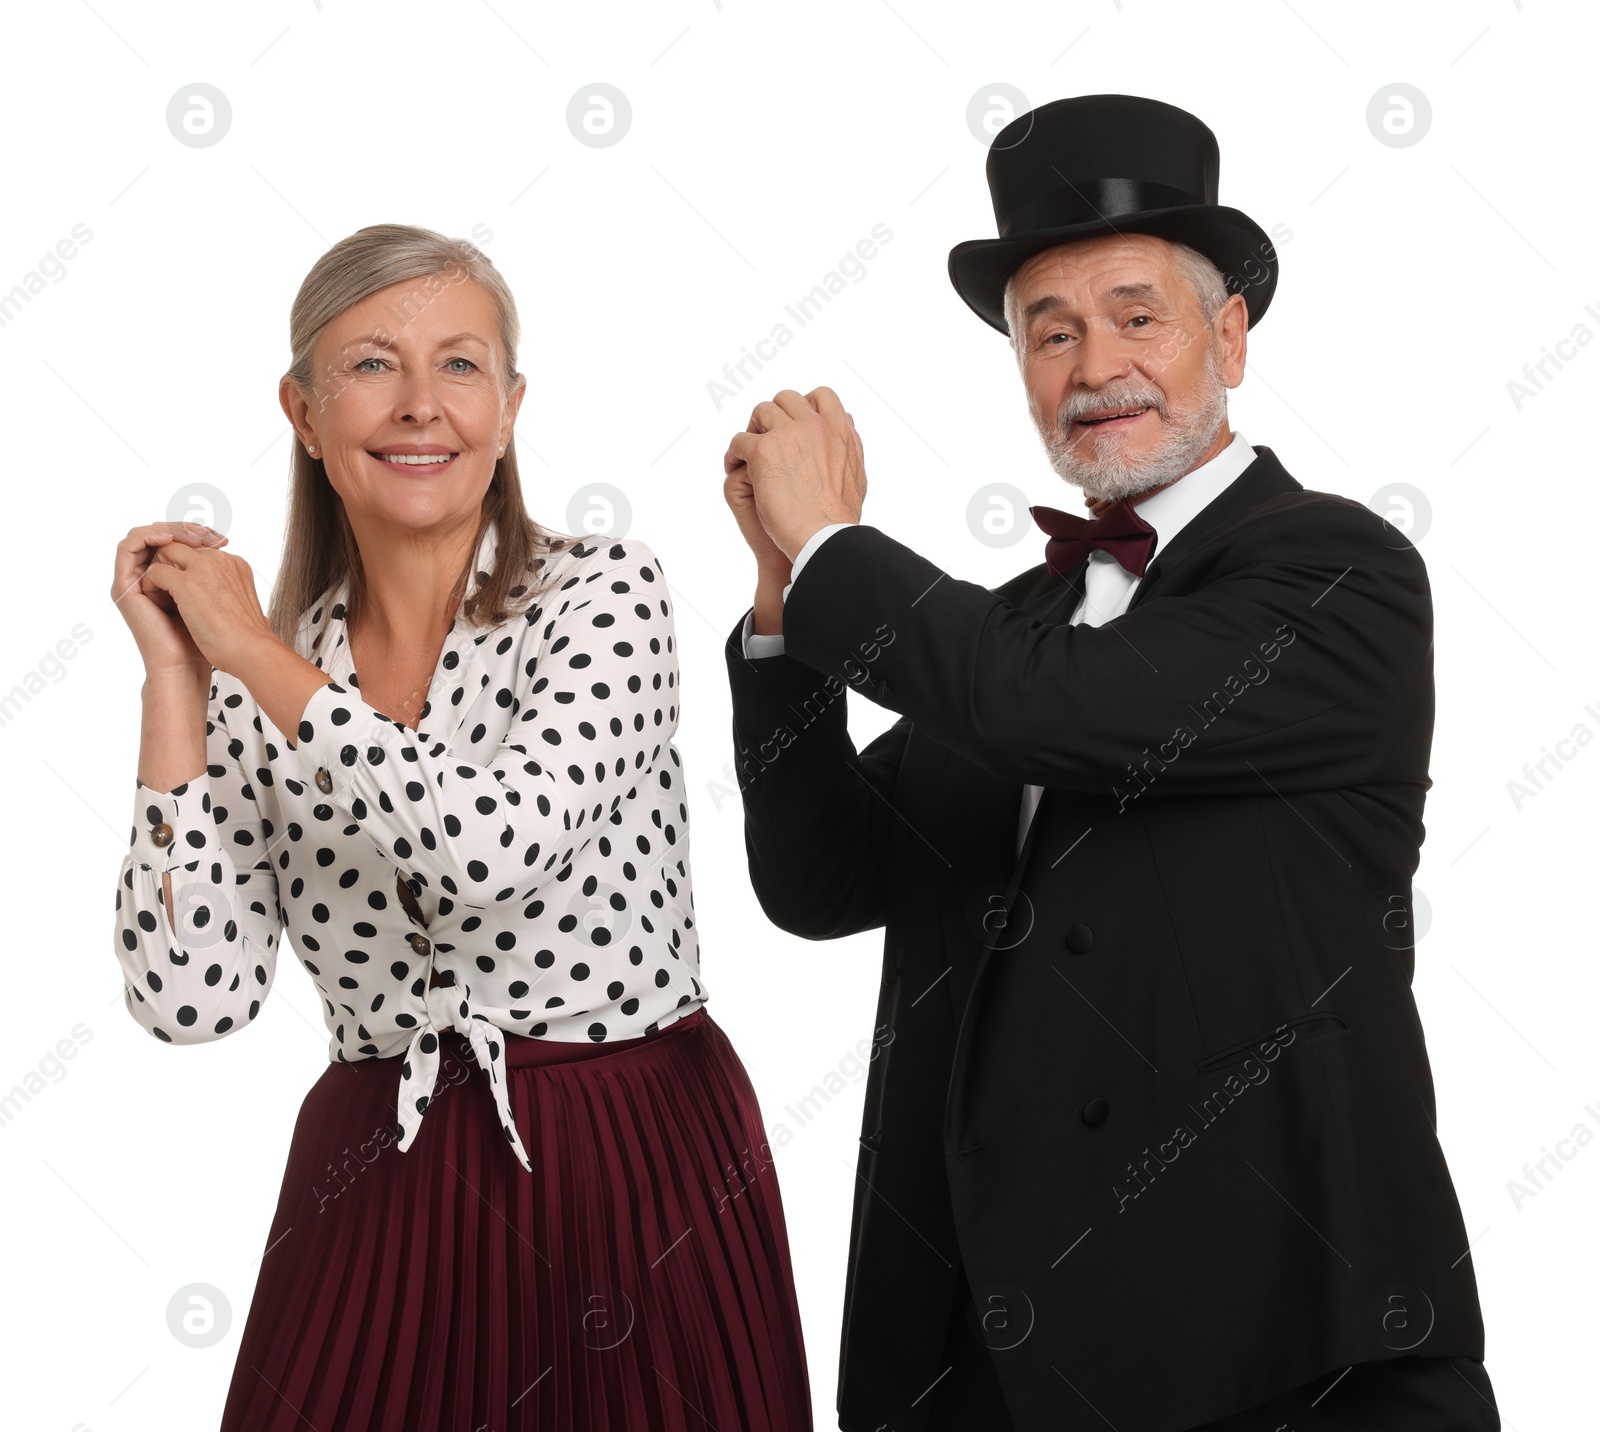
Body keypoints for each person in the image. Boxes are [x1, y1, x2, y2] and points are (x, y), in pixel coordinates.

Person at [719, 95, 1500, 1431]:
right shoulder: (1014, 627)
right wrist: (787, 596)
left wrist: (846, 547)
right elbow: (821, 876)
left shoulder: (1341, 575)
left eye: (1138, 316)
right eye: (1051, 331)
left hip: (1286, 1356)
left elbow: (1055, 713)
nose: (1096, 366)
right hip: (983, 1362)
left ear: (1231, 336)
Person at [111, 223, 811, 1432]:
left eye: (462, 365)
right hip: (375, 1164)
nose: (421, 406)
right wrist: (179, 680)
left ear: (512, 403)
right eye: (374, 364)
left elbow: (492, 845)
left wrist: (252, 657)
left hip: (627, 1149)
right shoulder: (262, 671)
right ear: (302, 408)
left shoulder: (603, 593)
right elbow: (192, 997)